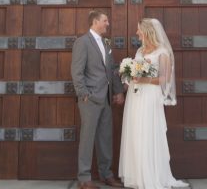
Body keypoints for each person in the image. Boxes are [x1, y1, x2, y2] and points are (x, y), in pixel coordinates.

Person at [119, 18, 189, 189]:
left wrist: (145, 79)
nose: (136, 33)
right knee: (135, 132)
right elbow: (134, 72)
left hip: (150, 97)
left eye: (139, 30)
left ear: (147, 31)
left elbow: (165, 80)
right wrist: (128, 76)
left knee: (148, 131)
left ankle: (151, 175)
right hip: (135, 97)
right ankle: (137, 175)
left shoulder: (162, 52)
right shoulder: (140, 50)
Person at [71, 10, 125, 189]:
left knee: (105, 138)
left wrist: (117, 91)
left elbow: (112, 68)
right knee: (87, 138)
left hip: (107, 99)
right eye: (105, 20)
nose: (107, 23)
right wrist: (83, 93)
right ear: (95, 22)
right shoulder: (82, 42)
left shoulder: (106, 43)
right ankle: (84, 179)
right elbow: (77, 71)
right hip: (90, 99)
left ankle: (106, 175)